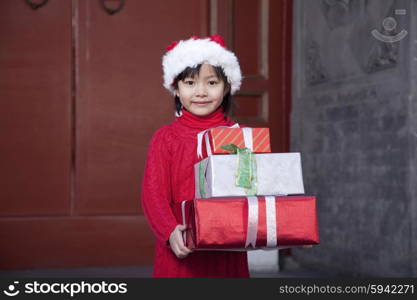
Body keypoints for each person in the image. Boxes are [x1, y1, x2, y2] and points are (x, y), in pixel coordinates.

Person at [141, 34, 249, 277]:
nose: (201, 91)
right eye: (190, 83)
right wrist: (169, 231)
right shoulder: (165, 138)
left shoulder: (240, 137)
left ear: (227, 86)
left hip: (227, 251)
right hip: (181, 247)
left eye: (211, 83)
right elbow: (153, 194)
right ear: (176, 90)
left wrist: (285, 223)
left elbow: (256, 189)